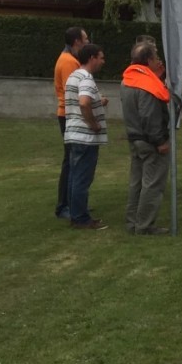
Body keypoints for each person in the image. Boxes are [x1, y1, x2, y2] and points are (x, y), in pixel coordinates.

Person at [121, 41, 171, 235]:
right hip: (150, 142)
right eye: (156, 57)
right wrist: (160, 141)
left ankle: (132, 222)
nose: (159, 61)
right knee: (152, 184)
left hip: (134, 138)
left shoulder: (127, 80)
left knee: (136, 182)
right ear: (148, 60)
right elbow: (149, 116)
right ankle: (145, 225)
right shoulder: (147, 85)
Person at [63, 43, 109, 230]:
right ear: (92, 58)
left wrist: (99, 101)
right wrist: (94, 124)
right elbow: (83, 103)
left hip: (73, 134)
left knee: (74, 176)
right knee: (82, 178)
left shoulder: (73, 76)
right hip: (85, 137)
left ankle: (75, 214)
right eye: (101, 58)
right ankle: (81, 218)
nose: (103, 62)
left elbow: (80, 101)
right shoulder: (86, 78)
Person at [53, 25, 88, 219]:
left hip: (68, 114)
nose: (87, 42)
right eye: (86, 39)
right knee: (72, 161)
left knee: (73, 160)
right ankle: (64, 206)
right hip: (68, 115)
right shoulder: (68, 62)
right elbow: (73, 91)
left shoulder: (69, 59)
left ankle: (73, 203)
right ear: (77, 42)